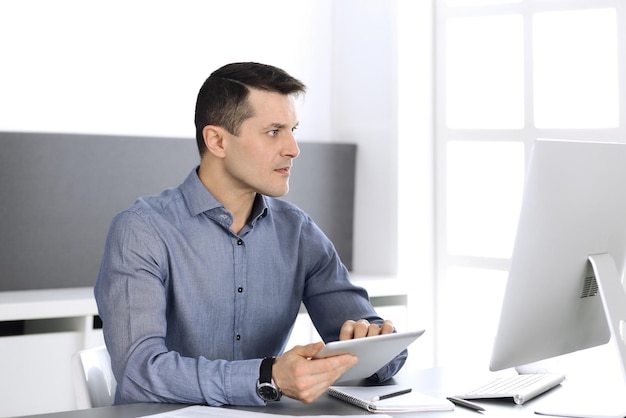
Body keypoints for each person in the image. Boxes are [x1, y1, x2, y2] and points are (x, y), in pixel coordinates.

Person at [94, 62, 407, 407]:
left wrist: (373, 342)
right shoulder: (142, 230)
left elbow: (385, 351)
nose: (293, 148)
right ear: (217, 140)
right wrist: (267, 376)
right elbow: (139, 373)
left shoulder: (299, 233)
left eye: (293, 130)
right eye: (274, 131)